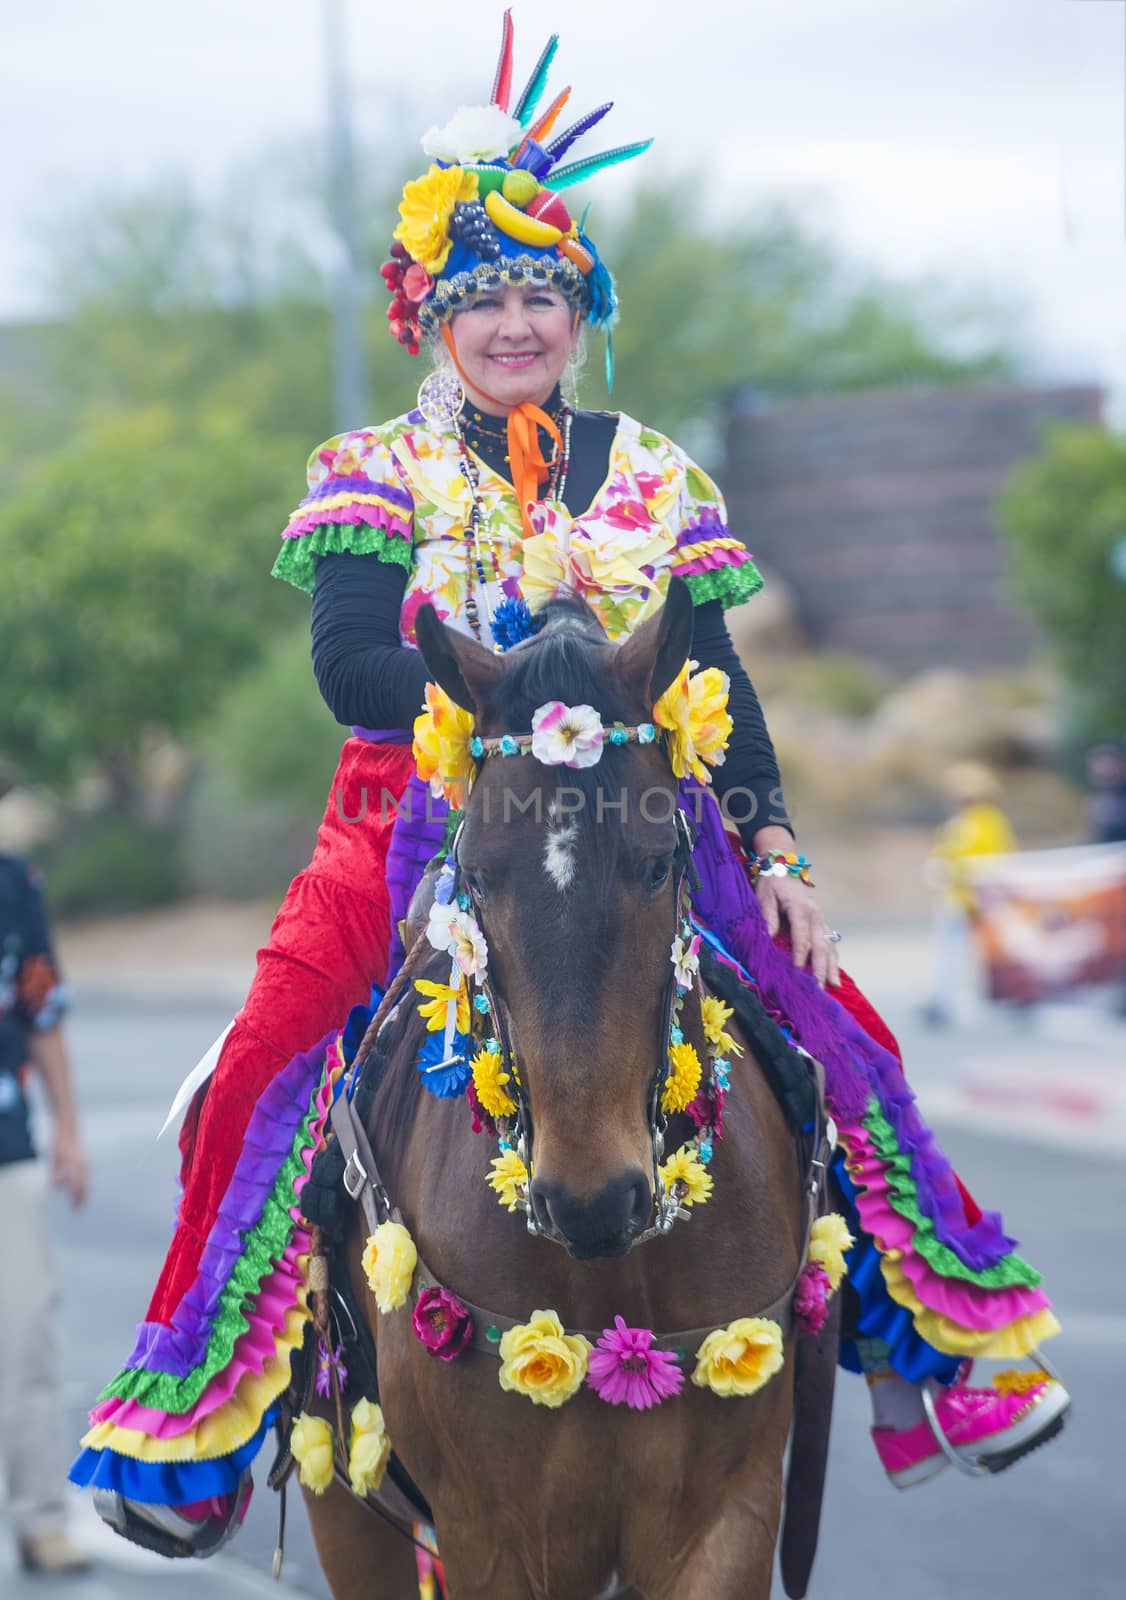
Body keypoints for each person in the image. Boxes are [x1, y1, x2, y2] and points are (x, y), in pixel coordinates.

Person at [72, 16, 1069, 1556]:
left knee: (837, 1042)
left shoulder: (659, 472)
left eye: (542, 293)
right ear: (431, 324)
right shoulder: (371, 470)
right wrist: (530, 706)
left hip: (643, 824)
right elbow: (350, 669)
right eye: (484, 302)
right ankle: (200, 1431)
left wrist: (779, 843)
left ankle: (941, 1364)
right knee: (264, 1066)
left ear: (578, 310)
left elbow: (717, 685)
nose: (517, 321)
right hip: (407, 825)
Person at [0, 787, 90, 1575]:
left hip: (8, 1145)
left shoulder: (12, 886)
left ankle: (38, 1518)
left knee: (25, 1332)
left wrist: (66, 1126)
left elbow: (42, 1007)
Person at [921, 761, 1017, 1029]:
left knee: (994, 951)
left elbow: (998, 857)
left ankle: (1010, 996)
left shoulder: (989, 821)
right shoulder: (954, 824)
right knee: (948, 951)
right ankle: (942, 1000)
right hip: (955, 897)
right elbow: (944, 852)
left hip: (983, 897)